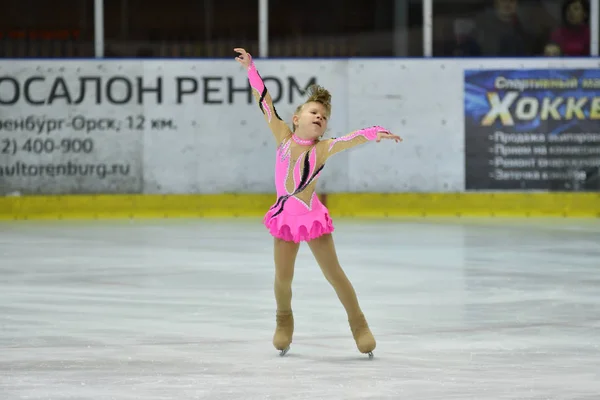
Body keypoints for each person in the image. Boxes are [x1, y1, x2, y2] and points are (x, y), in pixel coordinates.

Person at [234, 47, 402, 358]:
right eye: (314, 113)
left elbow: (349, 139)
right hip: (285, 219)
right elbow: (265, 103)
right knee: (283, 279)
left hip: (312, 219)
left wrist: (375, 133)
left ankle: (359, 324)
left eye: (324, 118)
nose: (320, 118)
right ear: (297, 118)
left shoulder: (322, 148)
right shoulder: (283, 136)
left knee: (335, 274)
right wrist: (251, 69)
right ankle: (283, 320)